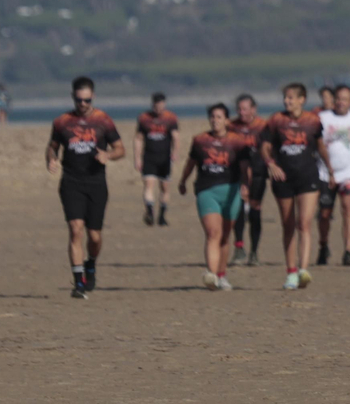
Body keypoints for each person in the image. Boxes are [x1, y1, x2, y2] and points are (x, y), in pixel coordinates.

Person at [47, 76, 124, 299]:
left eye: (87, 100)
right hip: (71, 182)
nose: (83, 104)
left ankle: (91, 265)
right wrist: (51, 159)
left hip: (96, 184)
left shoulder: (103, 120)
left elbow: (120, 149)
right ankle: (78, 282)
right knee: (75, 230)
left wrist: (108, 155)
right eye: (79, 100)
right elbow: (52, 147)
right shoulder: (62, 121)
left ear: (93, 97)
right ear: (73, 97)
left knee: (95, 236)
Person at [259, 83, 333, 290]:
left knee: (304, 223)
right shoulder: (276, 120)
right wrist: (270, 164)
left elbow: (320, 148)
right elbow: (264, 147)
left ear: (302, 99)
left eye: (291, 98)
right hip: (283, 178)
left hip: (308, 177)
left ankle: (303, 270)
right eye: (285, 98)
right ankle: (290, 271)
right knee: (288, 224)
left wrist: (331, 171)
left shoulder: (313, 121)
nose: (287, 101)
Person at [178, 103, 247, 291]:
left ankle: (221, 275)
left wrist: (246, 186)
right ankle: (211, 274)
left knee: (225, 236)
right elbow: (191, 163)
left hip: (231, 191)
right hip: (206, 190)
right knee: (213, 233)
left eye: (219, 117)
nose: (215, 120)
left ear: (226, 120)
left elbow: (244, 167)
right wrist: (183, 180)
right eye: (213, 117)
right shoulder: (200, 140)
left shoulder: (237, 141)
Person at [316, 85, 350, 266]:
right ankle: (323, 246)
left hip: (348, 173)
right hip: (325, 173)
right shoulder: (323, 118)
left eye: (345, 99)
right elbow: (316, 143)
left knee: (348, 208)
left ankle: (348, 250)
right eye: (338, 98)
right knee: (324, 214)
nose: (340, 102)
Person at [227, 94, 269, 266]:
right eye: (239, 109)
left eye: (245, 109)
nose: (241, 112)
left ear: (253, 109)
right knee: (237, 209)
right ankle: (239, 248)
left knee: (255, 210)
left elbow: (270, 149)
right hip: (236, 174)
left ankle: (254, 252)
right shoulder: (231, 126)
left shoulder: (262, 126)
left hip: (259, 173)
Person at [133, 93, 180, 227]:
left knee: (165, 188)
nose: (158, 108)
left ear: (164, 104)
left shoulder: (170, 118)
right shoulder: (144, 118)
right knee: (149, 185)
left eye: (160, 105)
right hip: (149, 157)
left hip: (165, 158)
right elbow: (138, 139)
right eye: (155, 105)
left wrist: (175, 153)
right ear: (152, 104)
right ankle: (150, 212)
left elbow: (176, 137)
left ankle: (162, 216)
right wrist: (137, 158)